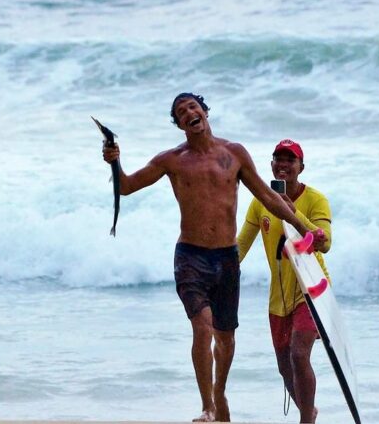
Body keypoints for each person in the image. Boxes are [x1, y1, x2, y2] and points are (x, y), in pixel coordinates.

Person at [101, 93, 318, 423]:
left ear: (204, 112)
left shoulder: (235, 154)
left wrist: (306, 229)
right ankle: (207, 407)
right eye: (181, 112)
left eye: (193, 106)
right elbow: (126, 187)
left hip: (226, 259)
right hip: (190, 257)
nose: (189, 112)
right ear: (179, 125)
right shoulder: (171, 160)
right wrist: (115, 162)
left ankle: (219, 391)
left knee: (226, 339)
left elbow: (270, 197)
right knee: (201, 327)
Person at [237, 139, 332, 424]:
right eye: (278, 158)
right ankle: (309, 409)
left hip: (312, 287)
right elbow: (240, 246)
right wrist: (215, 270)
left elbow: (324, 244)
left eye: (290, 160)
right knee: (284, 367)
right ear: (271, 165)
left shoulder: (316, 199)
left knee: (299, 354)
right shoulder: (260, 202)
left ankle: (306, 420)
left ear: (301, 167)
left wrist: (290, 210)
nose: (283, 164)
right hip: (279, 296)